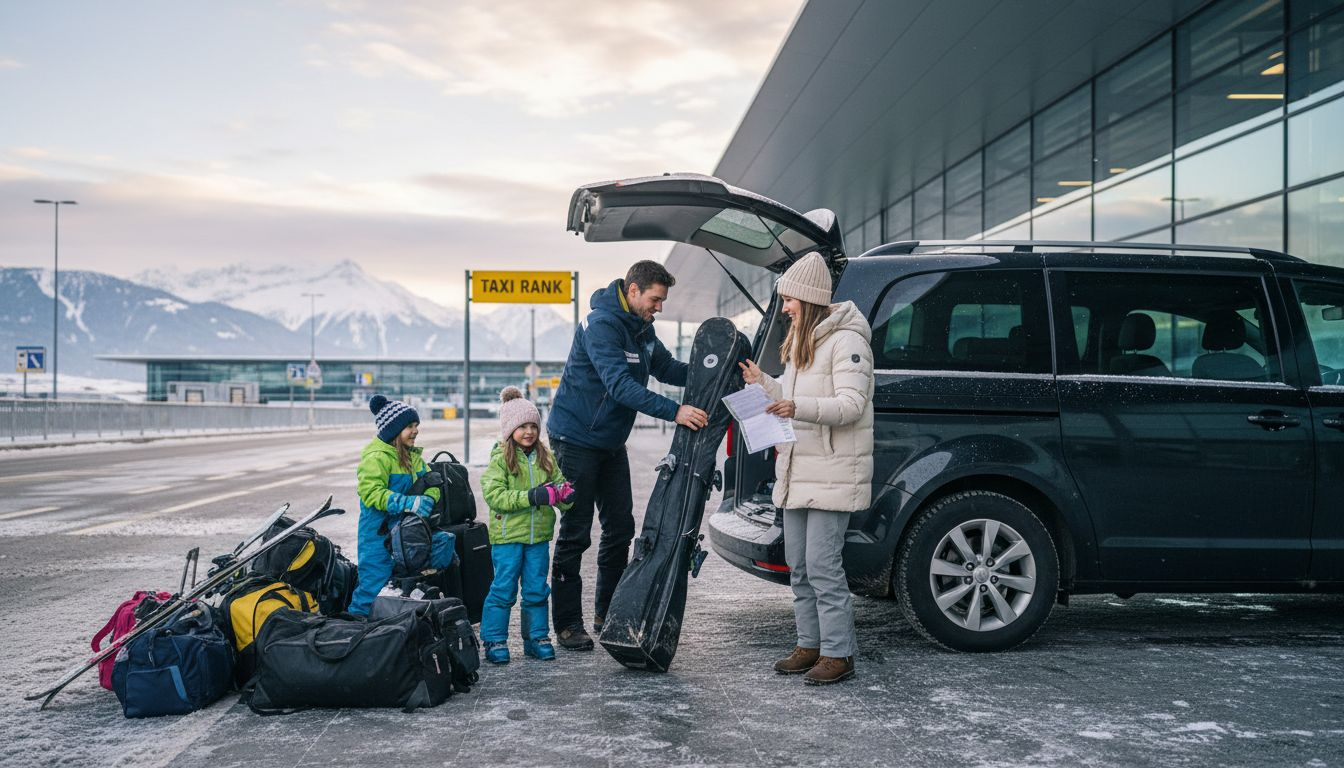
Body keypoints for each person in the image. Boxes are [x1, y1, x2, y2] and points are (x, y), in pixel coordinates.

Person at [545, 260, 708, 650]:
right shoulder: (601, 325)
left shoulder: (642, 329)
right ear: (633, 290)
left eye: (662, 301)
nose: (659, 307)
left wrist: (715, 368)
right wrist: (675, 412)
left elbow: (667, 367)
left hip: (609, 443)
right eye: (654, 299)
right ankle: (567, 623)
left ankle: (609, 612)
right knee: (575, 533)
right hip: (575, 440)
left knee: (619, 528)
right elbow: (618, 385)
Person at [739, 253, 874, 685]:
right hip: (798, 471)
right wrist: (764, 382)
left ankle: (839, 653)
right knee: (797, 563)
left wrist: (797, 406)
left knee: (822, 566)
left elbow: (851, 406)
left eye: (789, 299)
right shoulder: (803, 341)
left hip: (833, 472)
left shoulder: (847, 342)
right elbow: (793, 396)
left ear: (809, 297)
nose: (784, 308)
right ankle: (809, 644)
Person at [479, 386, 575, 664]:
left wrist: (565, 496)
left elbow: (557, 486)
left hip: (538, 538)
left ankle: (536, 637)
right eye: (522, 426)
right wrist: (532, 496)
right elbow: (495, 496)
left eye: (533, 425)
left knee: (536, 588)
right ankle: (494, 639)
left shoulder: (546, 457)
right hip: (508, 538)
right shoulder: (501, 459)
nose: (529, 431)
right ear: (510, 429)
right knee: (503, 588)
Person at [349, 394, 457, 617]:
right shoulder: (376, 457)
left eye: (416, 425)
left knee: (407, 585)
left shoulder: (413, 457)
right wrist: (409, 503)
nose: (415, 431)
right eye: (409, 426)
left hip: (408, 535)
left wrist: (429, 497)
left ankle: (394, 631)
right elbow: (370, 493)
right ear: (393, 430)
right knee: (373, 585)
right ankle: (357, 627)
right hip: (378, 537)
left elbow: (432, 481)